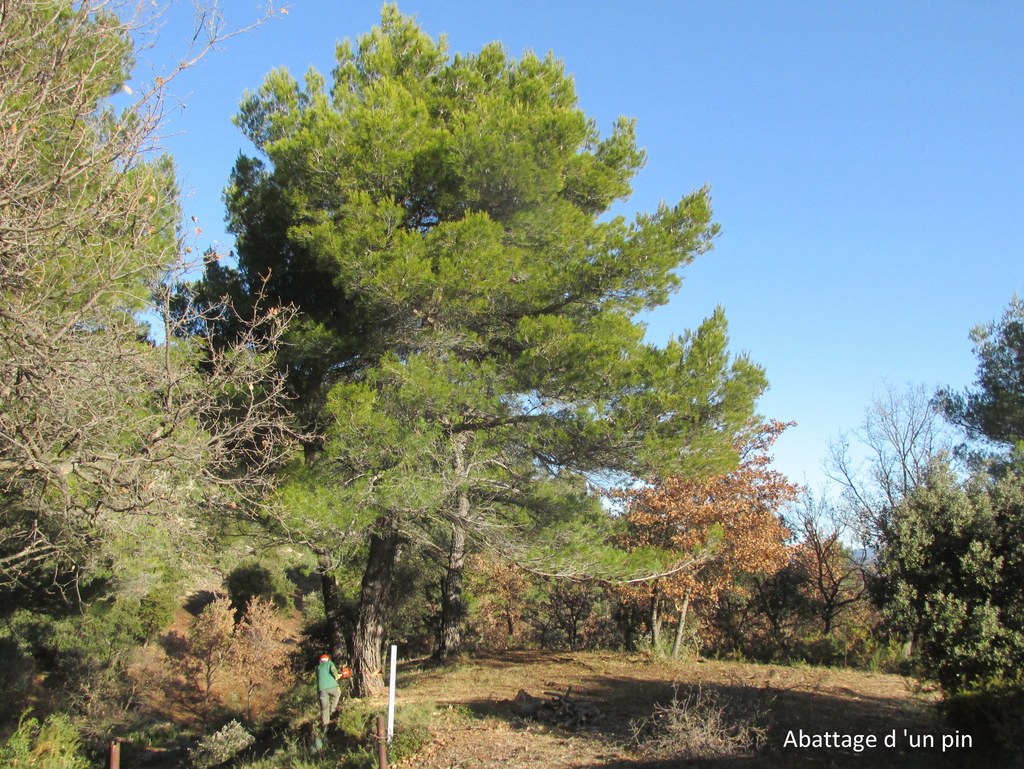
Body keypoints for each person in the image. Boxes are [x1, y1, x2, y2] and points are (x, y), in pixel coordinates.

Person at [316, 653, 342, 727]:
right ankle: (333, 710)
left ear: (320, 661)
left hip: (321, 689)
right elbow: (333, 670)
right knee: (337, 693)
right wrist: (337, 676)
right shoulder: (329, 663)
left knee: (324, 707)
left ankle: (325, 725)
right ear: (328, 659)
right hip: (331, 686)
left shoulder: (318, 667)